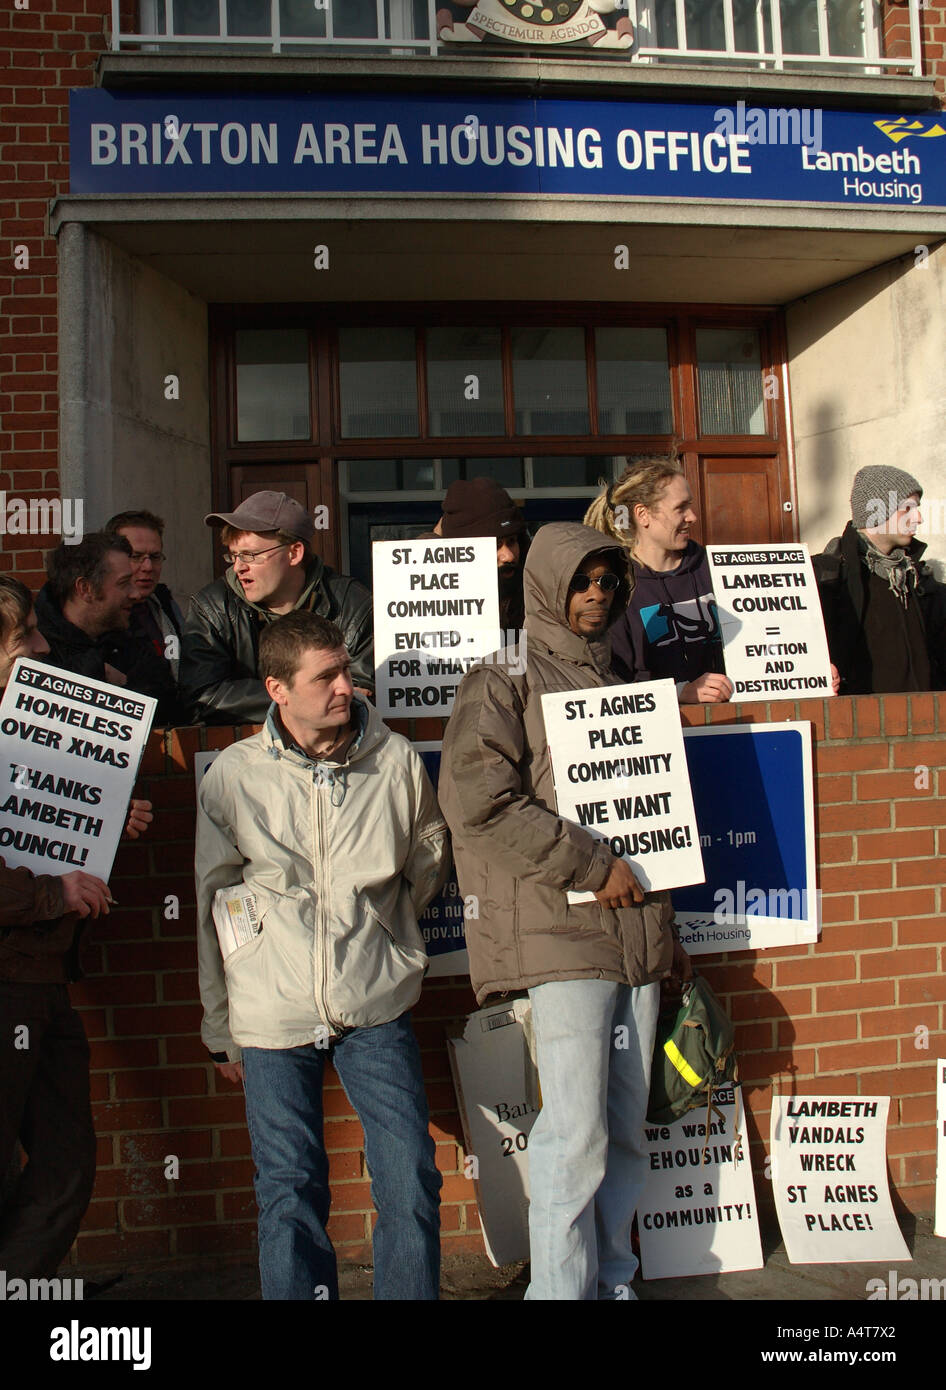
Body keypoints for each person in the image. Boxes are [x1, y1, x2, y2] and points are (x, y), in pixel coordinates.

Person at [438, 522, 691, 1301]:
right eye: (583, 581)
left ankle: (612, 1284)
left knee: (624, 1132)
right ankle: (558, 1292)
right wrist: (592, 862)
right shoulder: (502, 675)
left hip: (633, 934)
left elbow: (651, 815)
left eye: (610, 583)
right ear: (546, 585)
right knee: (573, 1136)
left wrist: (666, 932)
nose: (598, 595)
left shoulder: (619, 678)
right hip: (561, 934)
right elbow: (476, 801)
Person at [195, 610, 449, 1300]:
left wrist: (384, 928)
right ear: (278, 689)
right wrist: (222, 1025)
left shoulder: (393, 761)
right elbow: (214, 905)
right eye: (327, 676)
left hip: (374, 999)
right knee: (289, 1190)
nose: (347, 687)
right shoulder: (234, 777)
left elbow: (427, 863)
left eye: (346, 669)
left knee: (409, 1173)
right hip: (271, 1012)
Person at [0, 576, 152, 1280]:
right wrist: (52, 893)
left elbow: (45, 831)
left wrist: (103, 820)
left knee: (67, 1161)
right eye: (23, 636)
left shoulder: (21, 731)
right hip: (11, 984)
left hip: (44, 981)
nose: (39, 645)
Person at [180, 491, 374, 725]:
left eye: (251, 555)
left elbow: (361, 697)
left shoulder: (351, 604)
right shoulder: (213, 607)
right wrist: (303, 700)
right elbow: (202, 698)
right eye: (234, 556)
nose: (239, 568)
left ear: (294, 553)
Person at [584, 459, 733, 704]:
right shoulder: (617, 588)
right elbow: (613, 685)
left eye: (690, 506)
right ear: (643, 514)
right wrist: (678, 693)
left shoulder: (712, 568)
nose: (692, 517)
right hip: (664, 731)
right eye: (680, 508)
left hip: (731, 724)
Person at [813, 465, 946, 694]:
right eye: (908, 508)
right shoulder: (828, 578)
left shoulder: (918, 581)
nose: (919, 518)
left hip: (928, 722)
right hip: (862, 725)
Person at [35, 531, 179, 723]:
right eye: (124, 583)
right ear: (85, 589)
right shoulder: (34, 645)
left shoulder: (130, 640)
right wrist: (93, 675)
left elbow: (168, 708)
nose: (136, 594)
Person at [434, 477, 528, 633]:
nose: (509, 556)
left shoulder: (535, 602)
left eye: (512, 541)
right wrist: (430, 547)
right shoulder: (437, 606)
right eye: (495, 546)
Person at [105, 509, 184, 682]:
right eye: (136, 556)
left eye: (155, 556)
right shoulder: (102, 615)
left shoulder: (165, 606)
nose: (148, 567)